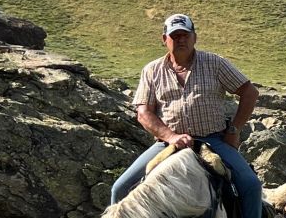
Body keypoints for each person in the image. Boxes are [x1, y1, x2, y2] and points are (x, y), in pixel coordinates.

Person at [109, 14, 264, 217]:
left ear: (194, 37)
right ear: (165, 39)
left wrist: (234, 130)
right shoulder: (152, 70)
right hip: (167, 143)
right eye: (175, 36)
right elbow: (144, 113)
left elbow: (249, 92)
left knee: (251, 186)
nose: (181, 40)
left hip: (213, 140)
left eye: (185, 35)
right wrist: (171, 136)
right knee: (119, 189)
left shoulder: (214, 63)